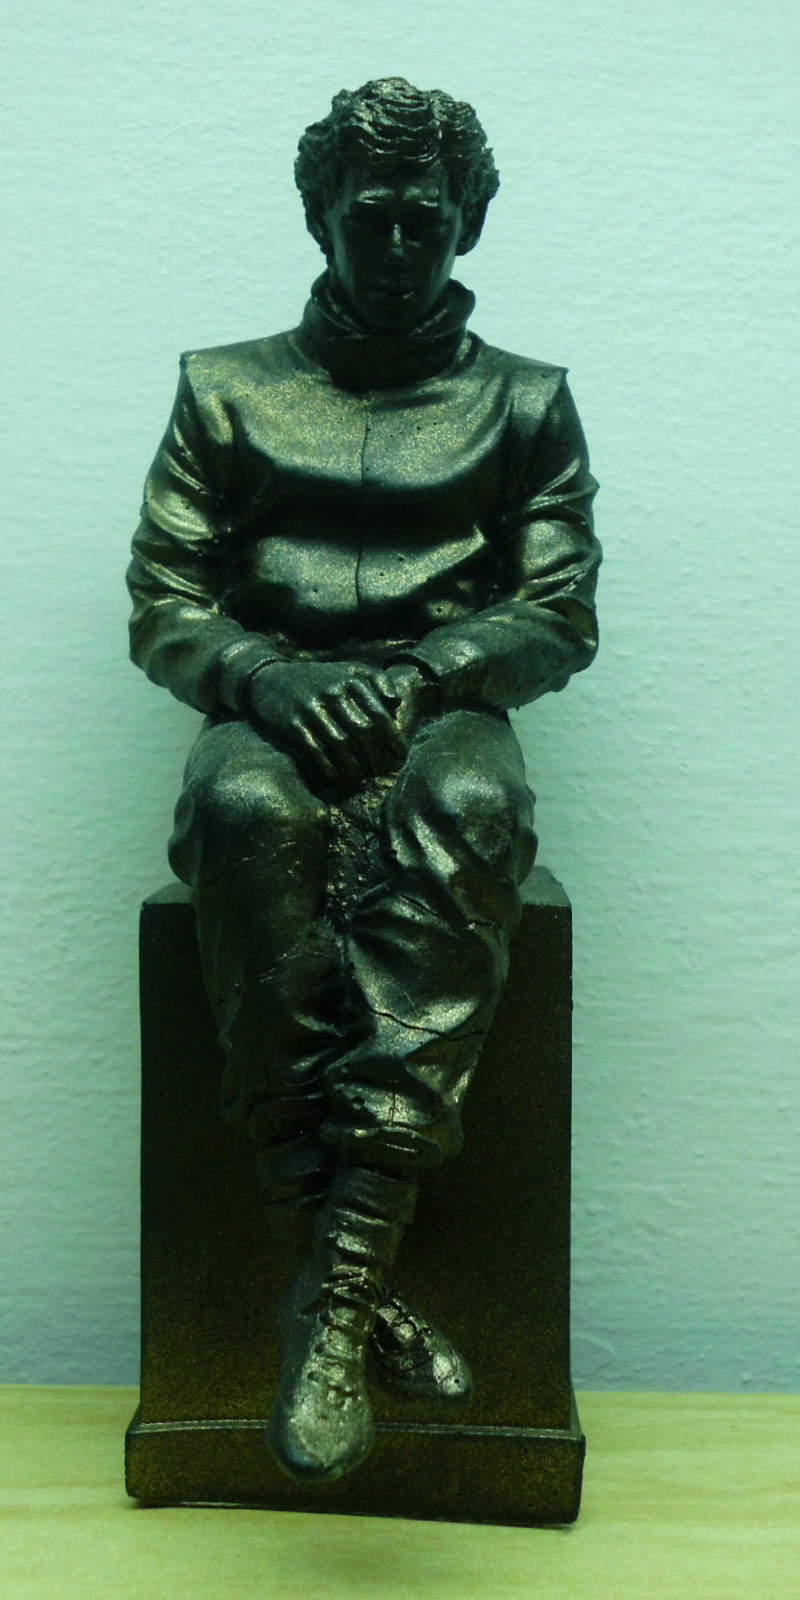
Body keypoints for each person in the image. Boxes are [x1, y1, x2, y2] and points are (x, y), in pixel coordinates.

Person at [127, 77, 600, 1484]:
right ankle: (352, 1282)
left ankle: (329, 1299)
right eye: (372, 217)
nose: (398, 247)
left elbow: (557, 610)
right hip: (268, 705)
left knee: (475, 810)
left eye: (427, 221)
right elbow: (164, 598)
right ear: (321, 216)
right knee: (240, 812)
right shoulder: (224, 388)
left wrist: (430, 673)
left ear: (469, 224)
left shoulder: (527, 401)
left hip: (441, 711)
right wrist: (264, 678)